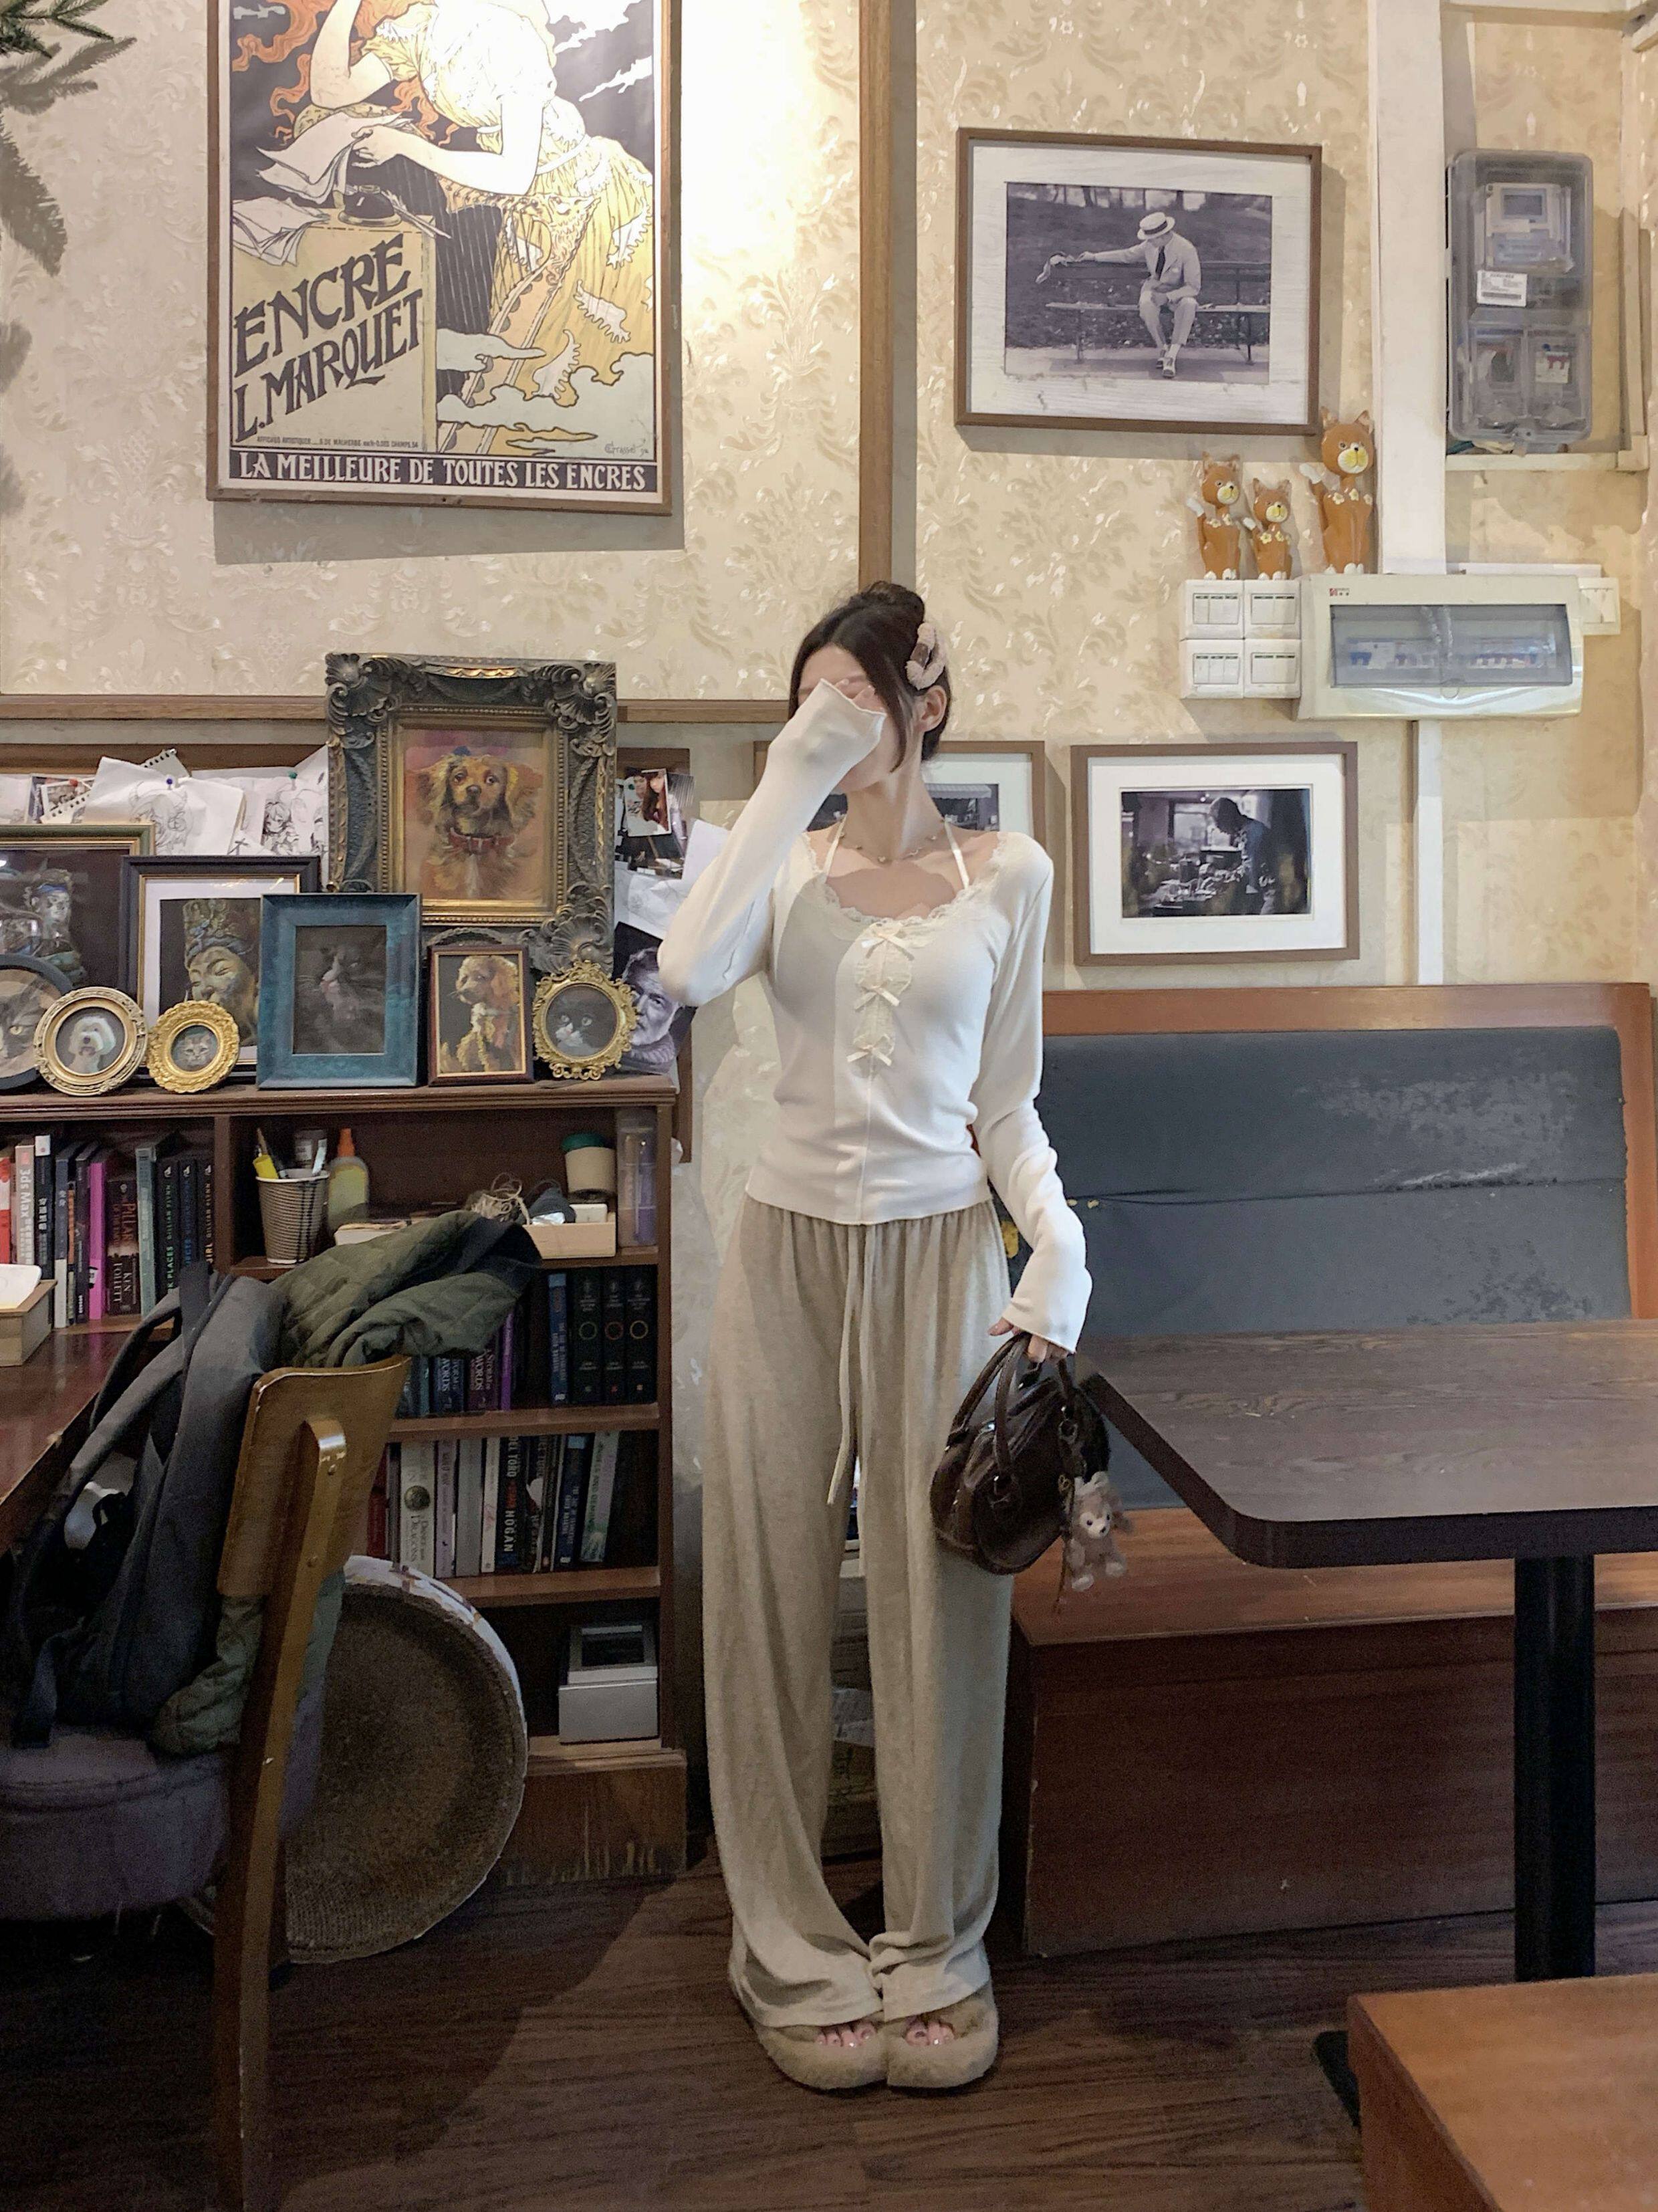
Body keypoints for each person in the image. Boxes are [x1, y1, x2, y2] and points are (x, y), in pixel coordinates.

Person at [659, 584, 1089, 2095]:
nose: (829, 718)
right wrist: (790, 773)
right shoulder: (774, 857)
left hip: (941, 1249)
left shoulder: (1011, 871)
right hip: (783, 1246)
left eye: (856, 695)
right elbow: (683, 974)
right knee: (765, 1587)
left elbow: (1005, 1101)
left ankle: (935, 1943)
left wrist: (1060, 1246)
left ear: (928, 701)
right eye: (808, 696)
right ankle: (785, 1944)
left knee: (939, 1599)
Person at [309, 0, 655, 456]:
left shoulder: (508, 35)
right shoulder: (424, 26)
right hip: (527, 217)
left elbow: (516, 173)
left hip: (586, 203)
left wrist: (407, 147)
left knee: (564, 362)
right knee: (519, 359)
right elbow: (329, 90)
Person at [1038, 205, 1202, 378]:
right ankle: (1163, 348)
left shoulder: (1186, 249)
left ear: (1162, 236)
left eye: (1152, 239)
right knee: (1146, 303)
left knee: (1189, 304)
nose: (1149, 242)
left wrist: (1168, 297)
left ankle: (1172, 356)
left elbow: (1193, 287)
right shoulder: (1150, 246)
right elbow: (1127, 255)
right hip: (1154, 289)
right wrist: (1095, 256)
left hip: (1179, 293)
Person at [1209, 794, 1278, 913]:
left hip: (1275, 890)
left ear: (1227, 818)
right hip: (1267, 889)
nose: (1220, 830)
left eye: (1219, 824)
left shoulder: (1252, 833)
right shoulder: (1250, 829)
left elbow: (1250, 870)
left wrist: (1221, 878)